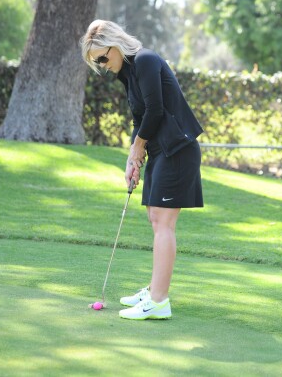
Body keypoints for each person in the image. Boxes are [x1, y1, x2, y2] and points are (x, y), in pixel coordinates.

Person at [80, 20, 204, 320]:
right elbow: (140, 118)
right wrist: (132, 158)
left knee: (164, 222)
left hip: (178, 149)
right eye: (96, 62)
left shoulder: (146, 60)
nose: (102, 65)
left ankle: (159, 302)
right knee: (154, 216)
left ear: (115, 45)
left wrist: (139, 147)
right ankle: (153, 289)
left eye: (102, 57)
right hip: (160, 150)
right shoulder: (129, 74)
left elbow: (156, 109)